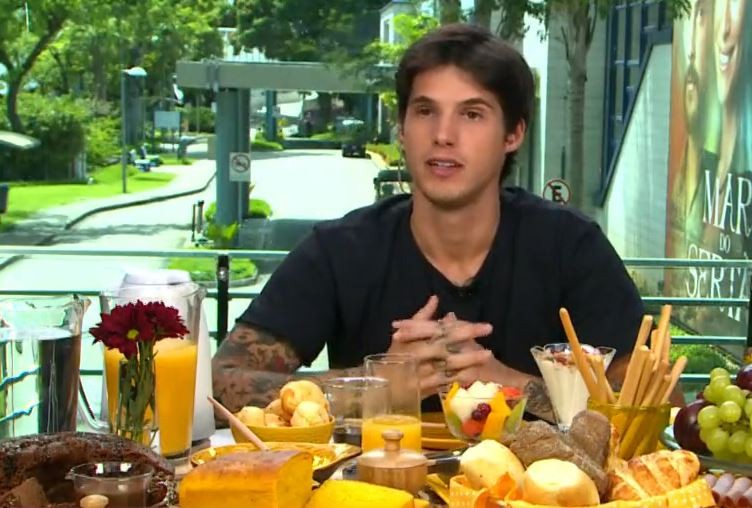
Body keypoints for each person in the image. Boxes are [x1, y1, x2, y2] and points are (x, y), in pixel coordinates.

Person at [211, 23, 651, 422]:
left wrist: (513, 389)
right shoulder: (341, 249)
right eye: (425, 111)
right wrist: (372, 387)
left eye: (472, 114)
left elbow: (649, 399)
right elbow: (220, 381)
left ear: (513, 133)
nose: (443, 135)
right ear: (402, 128)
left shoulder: (570, 246)